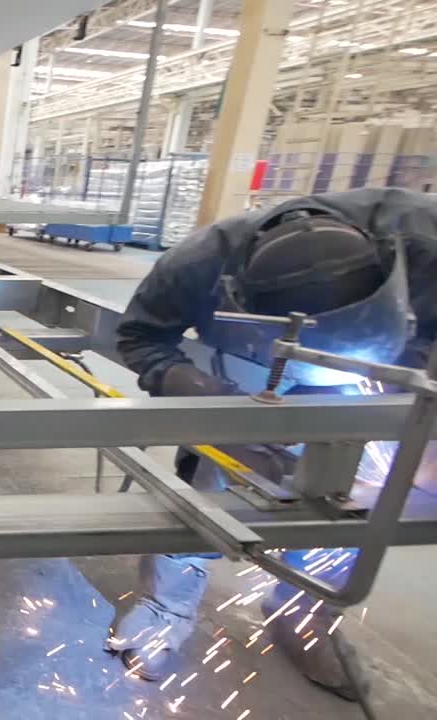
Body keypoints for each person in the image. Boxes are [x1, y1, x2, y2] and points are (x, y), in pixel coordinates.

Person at [106, 187, 437, 700]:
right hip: (252, 382)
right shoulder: (198, 265)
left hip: (387, 377)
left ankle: (304, 616)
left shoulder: (425, 240)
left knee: (358, 499)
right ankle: (163, 609)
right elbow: (140, 336)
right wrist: (206, 398)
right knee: (208, 497)